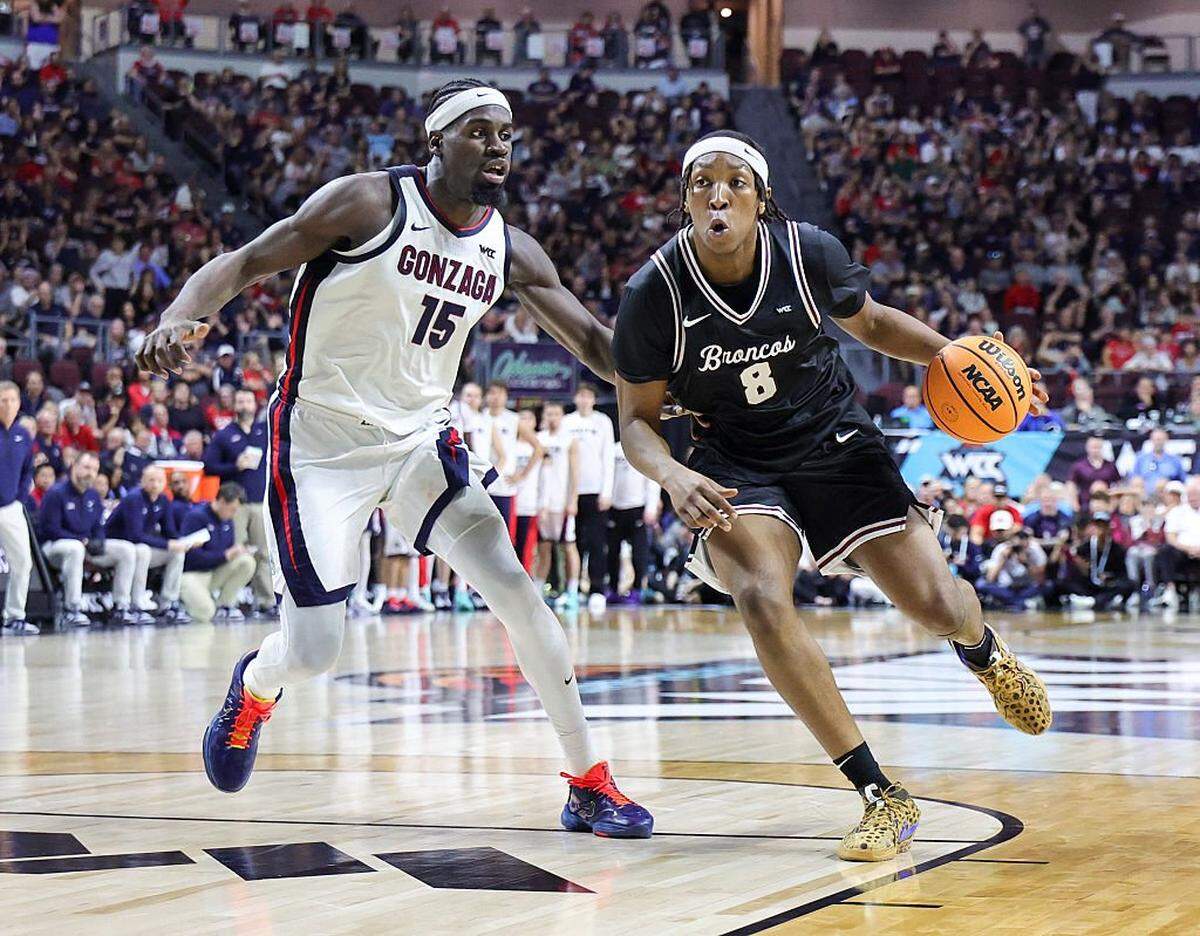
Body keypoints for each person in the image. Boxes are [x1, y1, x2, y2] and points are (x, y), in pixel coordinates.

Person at [137, 78, 652, 837]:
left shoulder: (509, 248)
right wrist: (181, 315)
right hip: (321, 442)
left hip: (419, 441)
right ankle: (253, 687)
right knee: (313, 651)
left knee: (517, 591)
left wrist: (682, 386)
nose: (499, 145)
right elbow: (244, 262)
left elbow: (597, 348)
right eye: (479, 131)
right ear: (436, 141)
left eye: (507, 133)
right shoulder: (367, 204)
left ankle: (588, 782)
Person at [611, 130, 1051, 862]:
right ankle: (882, 794)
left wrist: (965, 360)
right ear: (684, 199)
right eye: (701, 183)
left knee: (935, 603)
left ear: (761, 198)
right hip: (735, 458)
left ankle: (984, 653)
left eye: (735, 183)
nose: (718, 195)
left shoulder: (807, 250)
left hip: (833, 438)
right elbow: (635, 423)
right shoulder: (653, 294)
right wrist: (672, 474)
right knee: (759, 594)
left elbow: (873, 324)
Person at [38, 452, 142, 628]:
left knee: (127, 549)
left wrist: (99, 541)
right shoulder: (56, 493)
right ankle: (72, 609)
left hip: (84, 546)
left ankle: (121, 606)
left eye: (94, 469)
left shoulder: (93, 496)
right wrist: (82, 541)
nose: (90, 473)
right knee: (75, 548)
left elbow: (98, 528)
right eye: (86, 467)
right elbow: (50, 530)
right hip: (54, 547)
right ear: (74, 466)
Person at [203, 388, 273, 615]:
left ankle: (265, 601)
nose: (244, 405)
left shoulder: (264, 431)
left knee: (264, 553)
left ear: (255, 405)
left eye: (248, 401)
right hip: (236, 506)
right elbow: (209, 466)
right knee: (237, 551)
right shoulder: (224, 434)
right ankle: (230, 601)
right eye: (240, 401)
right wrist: (235, 466)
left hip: (261, 501)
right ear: (234, 405)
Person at [104, 464, 192, 624]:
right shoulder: (134, 498)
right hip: (117, 544)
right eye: (151, 480)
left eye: (159, 480)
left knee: (177, 553)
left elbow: (169, 531)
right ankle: (136, 604)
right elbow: (135, 535)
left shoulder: (163, 500)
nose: (155, 484)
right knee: (143, 550)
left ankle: (168, 604)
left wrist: (185, 542)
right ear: (143, 481)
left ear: (165, 483)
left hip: (138, 548)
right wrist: (168, 545)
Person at [562, 383, 615, 613]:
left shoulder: (602, 421)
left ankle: (596, 589)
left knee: (596, 542)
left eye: (588, 396)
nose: (584, 400)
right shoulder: (567, 422)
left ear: (594, 399)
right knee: (573, 543)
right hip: (571, 493)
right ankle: (571, 588)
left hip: (595, 492)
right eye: (580, 396)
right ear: (575, 399)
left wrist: (607, 491)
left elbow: (608, 458)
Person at [179, 483, 258, 626]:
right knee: (205, 612)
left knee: (246, 561)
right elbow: (192, 556)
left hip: (213, 572)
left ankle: (224, 605)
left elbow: (227, 551)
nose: (234, 514)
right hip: (192, 574)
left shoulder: (228, 521)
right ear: (221, 501)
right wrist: (226, 555)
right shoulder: (196, 517)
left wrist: (235, 552)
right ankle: (186, 604)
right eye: (232, 510)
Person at [537, 400, 581, 609]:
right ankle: (537, 590)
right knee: (543, 547)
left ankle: (572, 591)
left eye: (556, 413)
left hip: (563, 503)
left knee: (569, 546)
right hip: (543, 504)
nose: (552, 417)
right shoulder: (538, 439)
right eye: (549, 413)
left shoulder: (569, 440)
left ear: (562, 415)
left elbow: (575, 472)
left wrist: (573, 499)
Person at [0, 381, 36, 635]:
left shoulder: (23, 435)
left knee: (23, 561)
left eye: (12, 400)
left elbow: (28, 470)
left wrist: (20, 498)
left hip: (11, 507)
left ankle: (14, 617)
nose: (8, 405)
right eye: (3, 400)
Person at [607, 441, 659, 604]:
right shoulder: (614, 450)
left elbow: (653, 479)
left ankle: (637, 589)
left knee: (639, 553)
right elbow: (608, 476)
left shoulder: (643, 450)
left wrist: (651, 507)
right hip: (615, 508)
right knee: (612, 552)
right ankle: (613, 588)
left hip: (637, 507)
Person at [478, 380, 519, 542]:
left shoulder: (514, 419)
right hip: (483, 485)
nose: (496, 397)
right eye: (492, 392)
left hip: (505, 486)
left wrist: (521, 475)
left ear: (506, 396)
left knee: (503, 536)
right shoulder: (480, 417)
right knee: (481, 535)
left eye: (500, 393)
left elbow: (537, 447)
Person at [509, 408, 544, 574]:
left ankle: (526, 580)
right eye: (521, 418)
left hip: (529, 502)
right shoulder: (510, 445)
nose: (524, 422)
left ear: (535, 422)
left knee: (526, 547)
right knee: (509, 546)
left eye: (528, 418)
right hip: (510, 500)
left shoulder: (538, 447)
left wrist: (523, 474)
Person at [1068, 436, 1121, 511]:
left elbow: (1118, 485)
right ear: (1087, 448)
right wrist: (1074, 503)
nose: (1095, 450)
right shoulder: (1079, 466)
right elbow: (1071, 485)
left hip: (1106, 504)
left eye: (1098, 447)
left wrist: (1113, 505)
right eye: (1093, 447)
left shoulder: (1110, 466)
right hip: (1085, 505)